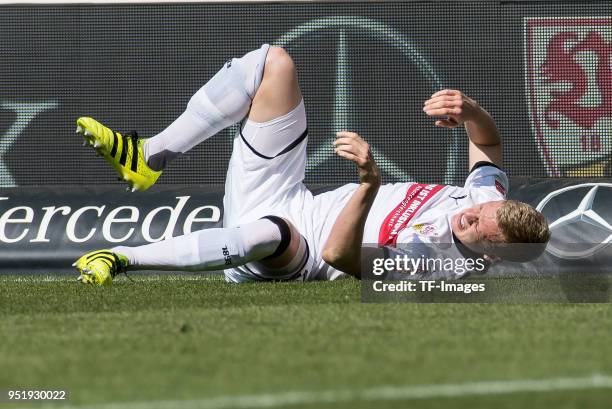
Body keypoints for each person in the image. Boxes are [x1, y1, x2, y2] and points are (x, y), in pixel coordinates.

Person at [73, 44, 549, 285]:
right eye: (476, 212)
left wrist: (368, 184)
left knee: (269, 233)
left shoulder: (439, 269)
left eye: (474, 229)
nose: (465, 214)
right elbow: (488, 143)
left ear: (492, 255)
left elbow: (338, 257)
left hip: (297, 252)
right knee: (272, 64)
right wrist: (468, 110)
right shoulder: (487, 202)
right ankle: (149, 155)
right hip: (288, 195)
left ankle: (121, 257)